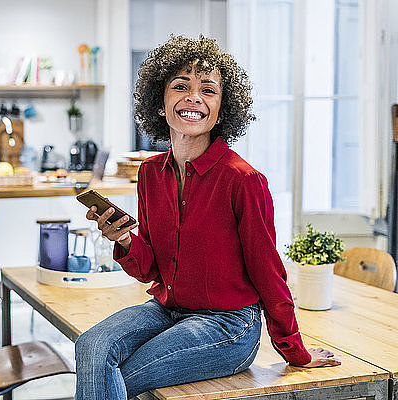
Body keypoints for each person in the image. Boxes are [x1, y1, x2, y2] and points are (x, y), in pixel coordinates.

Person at [74, 35, 341, 399]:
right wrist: (123, 239)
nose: (193, 98)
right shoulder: (151, 173)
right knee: (90, 345)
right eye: (180, 86)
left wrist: (295, 350)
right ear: (160, 102)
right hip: (168, 309)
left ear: (222, 108)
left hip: (228, 325)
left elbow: (268, 271)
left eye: (208, 90)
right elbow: (152, 269)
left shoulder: (243, 180)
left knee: (119, 375)